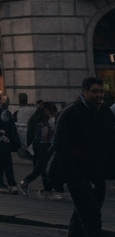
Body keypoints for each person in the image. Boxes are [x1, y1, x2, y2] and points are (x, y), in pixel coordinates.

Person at [50, 77, 115, 236]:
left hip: (98, 172)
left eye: (101, 91)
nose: (99, 95)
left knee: (83, 216)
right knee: (91, 216)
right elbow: (60, 146)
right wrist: (72, 173)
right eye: (95, 91)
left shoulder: (105, 112)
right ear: (84, 92)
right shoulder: (70, 114)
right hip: (78, 174)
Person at [20, 101, 57, 198]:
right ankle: (25, 182)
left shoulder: (38, 119)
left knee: (43, 169)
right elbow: (44, 135)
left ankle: (47, 189)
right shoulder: (41, 122)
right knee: (41, 168)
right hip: (42, 146)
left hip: (42, 146)